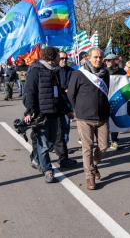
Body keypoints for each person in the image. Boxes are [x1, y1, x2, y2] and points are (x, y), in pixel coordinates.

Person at [24, 47, 74, 183]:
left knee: (51, 142)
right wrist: (29, 111)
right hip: (41, 115)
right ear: (52, 57)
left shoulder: (55, 72)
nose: (61, 59)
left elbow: (60, 94)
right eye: (59, 56)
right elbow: (29, 92)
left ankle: (36, 159)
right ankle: (48, 171)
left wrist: (68, 110)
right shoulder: (35, 71)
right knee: (44, 144)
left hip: (55, 113)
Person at [68, 48, 110, 190]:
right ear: (88, 58)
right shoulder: (78, 74)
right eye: (95, 57)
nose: (98, 59)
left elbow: (106, 92)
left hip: (102, 116)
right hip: (84, 117)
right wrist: (77, 110)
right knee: (87, 147)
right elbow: (71, 95)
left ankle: (94, 164)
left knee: (104, 146)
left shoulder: (105, 73)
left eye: (100, 57)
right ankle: (89, 177)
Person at [55, 51, 77, 169]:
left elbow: (72, 87)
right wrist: (64, 90)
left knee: (66, 131)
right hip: (57, 107)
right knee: (58, 133)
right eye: (61, 58)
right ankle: (62, 156)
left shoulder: (71, 71)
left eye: (65, 58)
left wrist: (69, 90)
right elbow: (58, 88)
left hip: (68, 106)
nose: (64, 60)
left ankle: (62, 154)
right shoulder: (53, 71)